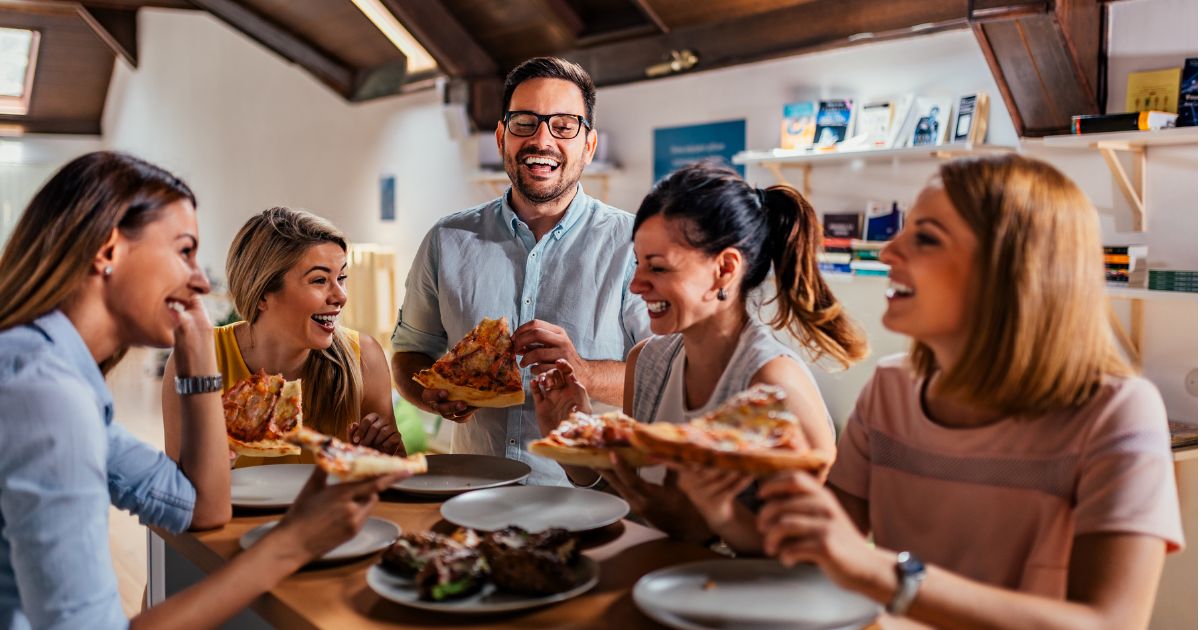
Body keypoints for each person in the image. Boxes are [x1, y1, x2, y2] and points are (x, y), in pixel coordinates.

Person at [756, 154, 1183, 628]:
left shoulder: (1118, 412)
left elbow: (1111, 623)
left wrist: (888, 575)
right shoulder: (890, 389)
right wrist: (738, 503)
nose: (887, 252)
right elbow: (821, 557)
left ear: (1012, 270)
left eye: (925, 238)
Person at [0, 151, 409, 629]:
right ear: (109, 252)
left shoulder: (66, 380)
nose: (198, 279)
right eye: (184, 250)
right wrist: (292, 544)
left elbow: (199, 505)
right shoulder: (45, 397)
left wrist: (198, 363)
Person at [532, 160, 867, 553]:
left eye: (657, 267)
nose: (637, 285)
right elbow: (639, 506)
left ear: (725, 270)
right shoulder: (649, 361)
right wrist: (573, 446)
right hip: (658, 589)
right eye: (637, 263)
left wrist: (711, 521)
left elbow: (824, 556)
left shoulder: (774, 387)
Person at [392, 57, 650, 486]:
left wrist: (582, 371)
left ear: (589, 145)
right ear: (501, 137)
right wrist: (433, 397)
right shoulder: (447, 239)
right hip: (475, 491)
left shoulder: (634, 244)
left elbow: (668, 382)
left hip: (596, 497)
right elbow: (409, 352)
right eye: (525, 123)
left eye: (564, 125)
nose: (542, 139)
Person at [163, 207, 404, 467]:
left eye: (341, 277)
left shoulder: (363, 359)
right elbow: (176, 492)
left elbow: (395, 478)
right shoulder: (196, 359)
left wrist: (377, 459)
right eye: (320, 280)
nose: (341, 296)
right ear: (264, 293)